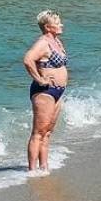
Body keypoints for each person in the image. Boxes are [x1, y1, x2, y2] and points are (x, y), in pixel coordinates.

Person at [22, 10, 68, 175]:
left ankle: (44, 167)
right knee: (38, 132)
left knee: (47, 132)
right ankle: (32, 171)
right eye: (57, 22)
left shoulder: (56, 41)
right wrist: (40, 79)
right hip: (44, 92)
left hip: (58, 91)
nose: (61, 24)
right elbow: (28, 59)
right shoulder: (42, 43)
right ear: (48, 27)